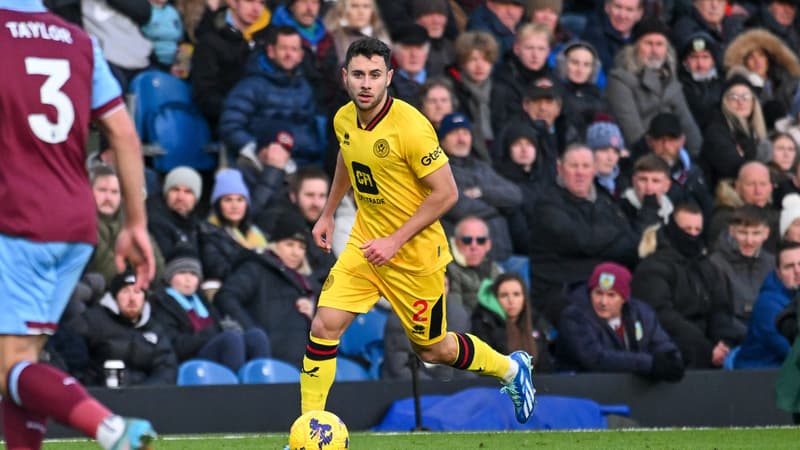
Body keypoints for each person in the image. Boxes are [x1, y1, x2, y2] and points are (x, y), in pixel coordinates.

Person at [302, 38, 536, 424]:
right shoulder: (344, 117)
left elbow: (447, 193)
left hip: (413, 255)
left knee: (432, 349)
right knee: (323, 325)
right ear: (344, 77)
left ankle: (510, 369)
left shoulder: (411, 127)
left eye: (375, 75)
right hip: (366, 243)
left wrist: (395, 241)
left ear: (389, 77)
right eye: (358, 74)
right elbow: (348, 153)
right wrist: (328, 213)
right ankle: (309, 429)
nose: (366, 83)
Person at [0, 2, 157, 448]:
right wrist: (136, 223)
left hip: (16, 218)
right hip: (73, 220)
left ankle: (111, 429)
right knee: (23, 364)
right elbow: (123, 133)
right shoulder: (78, 40)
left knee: (10, 367)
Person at [632, 204, 744, 368]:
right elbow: (662, 315)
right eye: (686, 229)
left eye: (697, 230)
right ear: (672, 228)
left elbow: (720, 308)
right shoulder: (652, 268)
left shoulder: (707, 266)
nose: (692, 235)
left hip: (712, 351)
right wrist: (707, 349)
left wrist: (723, 342)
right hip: (673, 353)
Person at [215, 212, 318, 368]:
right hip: (269, 363)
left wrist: (314, 314)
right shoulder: (256, 269)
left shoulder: (308, 282)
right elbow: (226, 297)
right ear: (275, 244)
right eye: (289, 244)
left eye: (301, 247)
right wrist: (254, 333)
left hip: (303, 364)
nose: (295, 252)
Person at [150, 246, 271, 372]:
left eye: (193, 274)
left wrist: (228, 327)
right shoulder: (161, 303)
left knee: (256, 336)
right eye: (182, 273)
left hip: (210, 351)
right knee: (230, 339)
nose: (188, 279)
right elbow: (175, 346)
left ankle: (262, 384)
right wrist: (209, 334)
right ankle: (235, 390)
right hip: (188, 361)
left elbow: (217, 328)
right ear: (170, 276)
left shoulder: (201, 301)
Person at [557, 262, 683, 381]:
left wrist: (671, 359)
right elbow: (595, 359)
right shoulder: (574, 317)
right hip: (584, 389)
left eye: (611, 295)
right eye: (598, 293)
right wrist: (649, 364)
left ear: (624, 298)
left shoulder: (640, 312)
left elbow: (661, 344)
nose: (603, 302)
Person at [606, 17, 703, 157]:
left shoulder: (671, 80)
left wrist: (694, 158)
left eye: (659, 44)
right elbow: (632, 131)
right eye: (648, 43)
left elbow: (688, 125)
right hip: (642, 158)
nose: (655, 50)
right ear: (635, 47)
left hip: (674, 153)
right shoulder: (620, 79)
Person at [77, 271, 177, 387]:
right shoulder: (93, 321)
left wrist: (146, 393)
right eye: (125, 292)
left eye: (137, 292)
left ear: (144, 298)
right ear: (114, 297)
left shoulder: (155, 328)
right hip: (102, 397)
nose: (132, 298)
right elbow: (78, 364)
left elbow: (166, 368)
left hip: (146, 398)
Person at [735, 240, 800, 368]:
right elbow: (790, 351)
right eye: (789, 266)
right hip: (756, 380)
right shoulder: (767, 305)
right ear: (778, 273)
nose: (797, 271)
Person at [472, 272, 554, 373]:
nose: (511, 301)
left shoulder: (536, 323)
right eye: (504, 295)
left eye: (516, 294)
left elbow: (546, 367)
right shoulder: (484, 324)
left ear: (524, 298)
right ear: (495, 299)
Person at [709, 205, 775, 330]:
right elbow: (718, 314)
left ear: (766, 233)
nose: (749, 240)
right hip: (734, 336)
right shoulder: (716, 263)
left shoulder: (771, 262)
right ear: (732, 231)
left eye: (756, 233)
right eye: (743, 233)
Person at [701, 74, 771, 190]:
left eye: (746, 96)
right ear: (725, 102)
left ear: (754, 102)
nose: (740, 102)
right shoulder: (716, 130)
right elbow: (734, 168)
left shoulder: (754, 132)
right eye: (734, 97)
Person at [446, 216, 504, 316]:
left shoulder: (494, 268)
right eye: (467, 240)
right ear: (456, 243)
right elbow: (456, 313)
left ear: (488, 244)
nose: (474, 246)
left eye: (480, 240)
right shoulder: (449, 270)